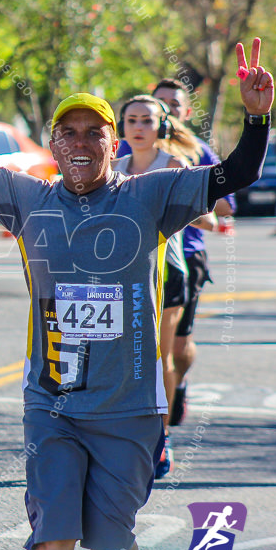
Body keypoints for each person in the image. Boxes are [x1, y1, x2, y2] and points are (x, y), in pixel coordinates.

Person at [0, 21, 272, 550]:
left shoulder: (151, 195)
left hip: (128, 408)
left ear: (113, 144)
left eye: (94, 133)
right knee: (53, 542)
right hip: (50, 404)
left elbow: (238, 175)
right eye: (67, 132)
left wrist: (257, 120)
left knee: (110, 548)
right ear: (53, 145)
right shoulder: (29, 197)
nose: (80, 142)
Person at [114, 94, 206, 478]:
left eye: (146, 120)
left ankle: (161, 436)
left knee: (157, 358)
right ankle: (118, 435)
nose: (138, 127)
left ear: (161, 126)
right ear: (121, 126)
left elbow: (201, 213)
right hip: (120, 274)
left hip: (166, 271)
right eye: (132, 120)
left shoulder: (174, 165)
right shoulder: (112, 166)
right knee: (122, 360)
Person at [148, 79, 236, 427]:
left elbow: (226, 206)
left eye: (173, 102)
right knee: (146, 348)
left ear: (185, 110)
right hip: (140, 257)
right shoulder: (128, 145)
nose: (166, 107)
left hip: (185, 257)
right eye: (159, 102)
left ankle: (177, 386)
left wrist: (187, 203)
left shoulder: (196, 151)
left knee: (177, 350)